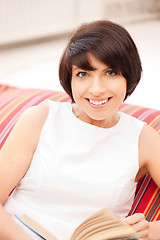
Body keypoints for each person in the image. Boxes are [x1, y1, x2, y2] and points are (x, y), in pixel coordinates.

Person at [0, 20, 160, 240]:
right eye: (83, 74)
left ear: (129, 76)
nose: (96, 89)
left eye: (111, 72)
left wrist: (143, 232)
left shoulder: (143, 139)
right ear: (70, 79)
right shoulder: (40, 119)